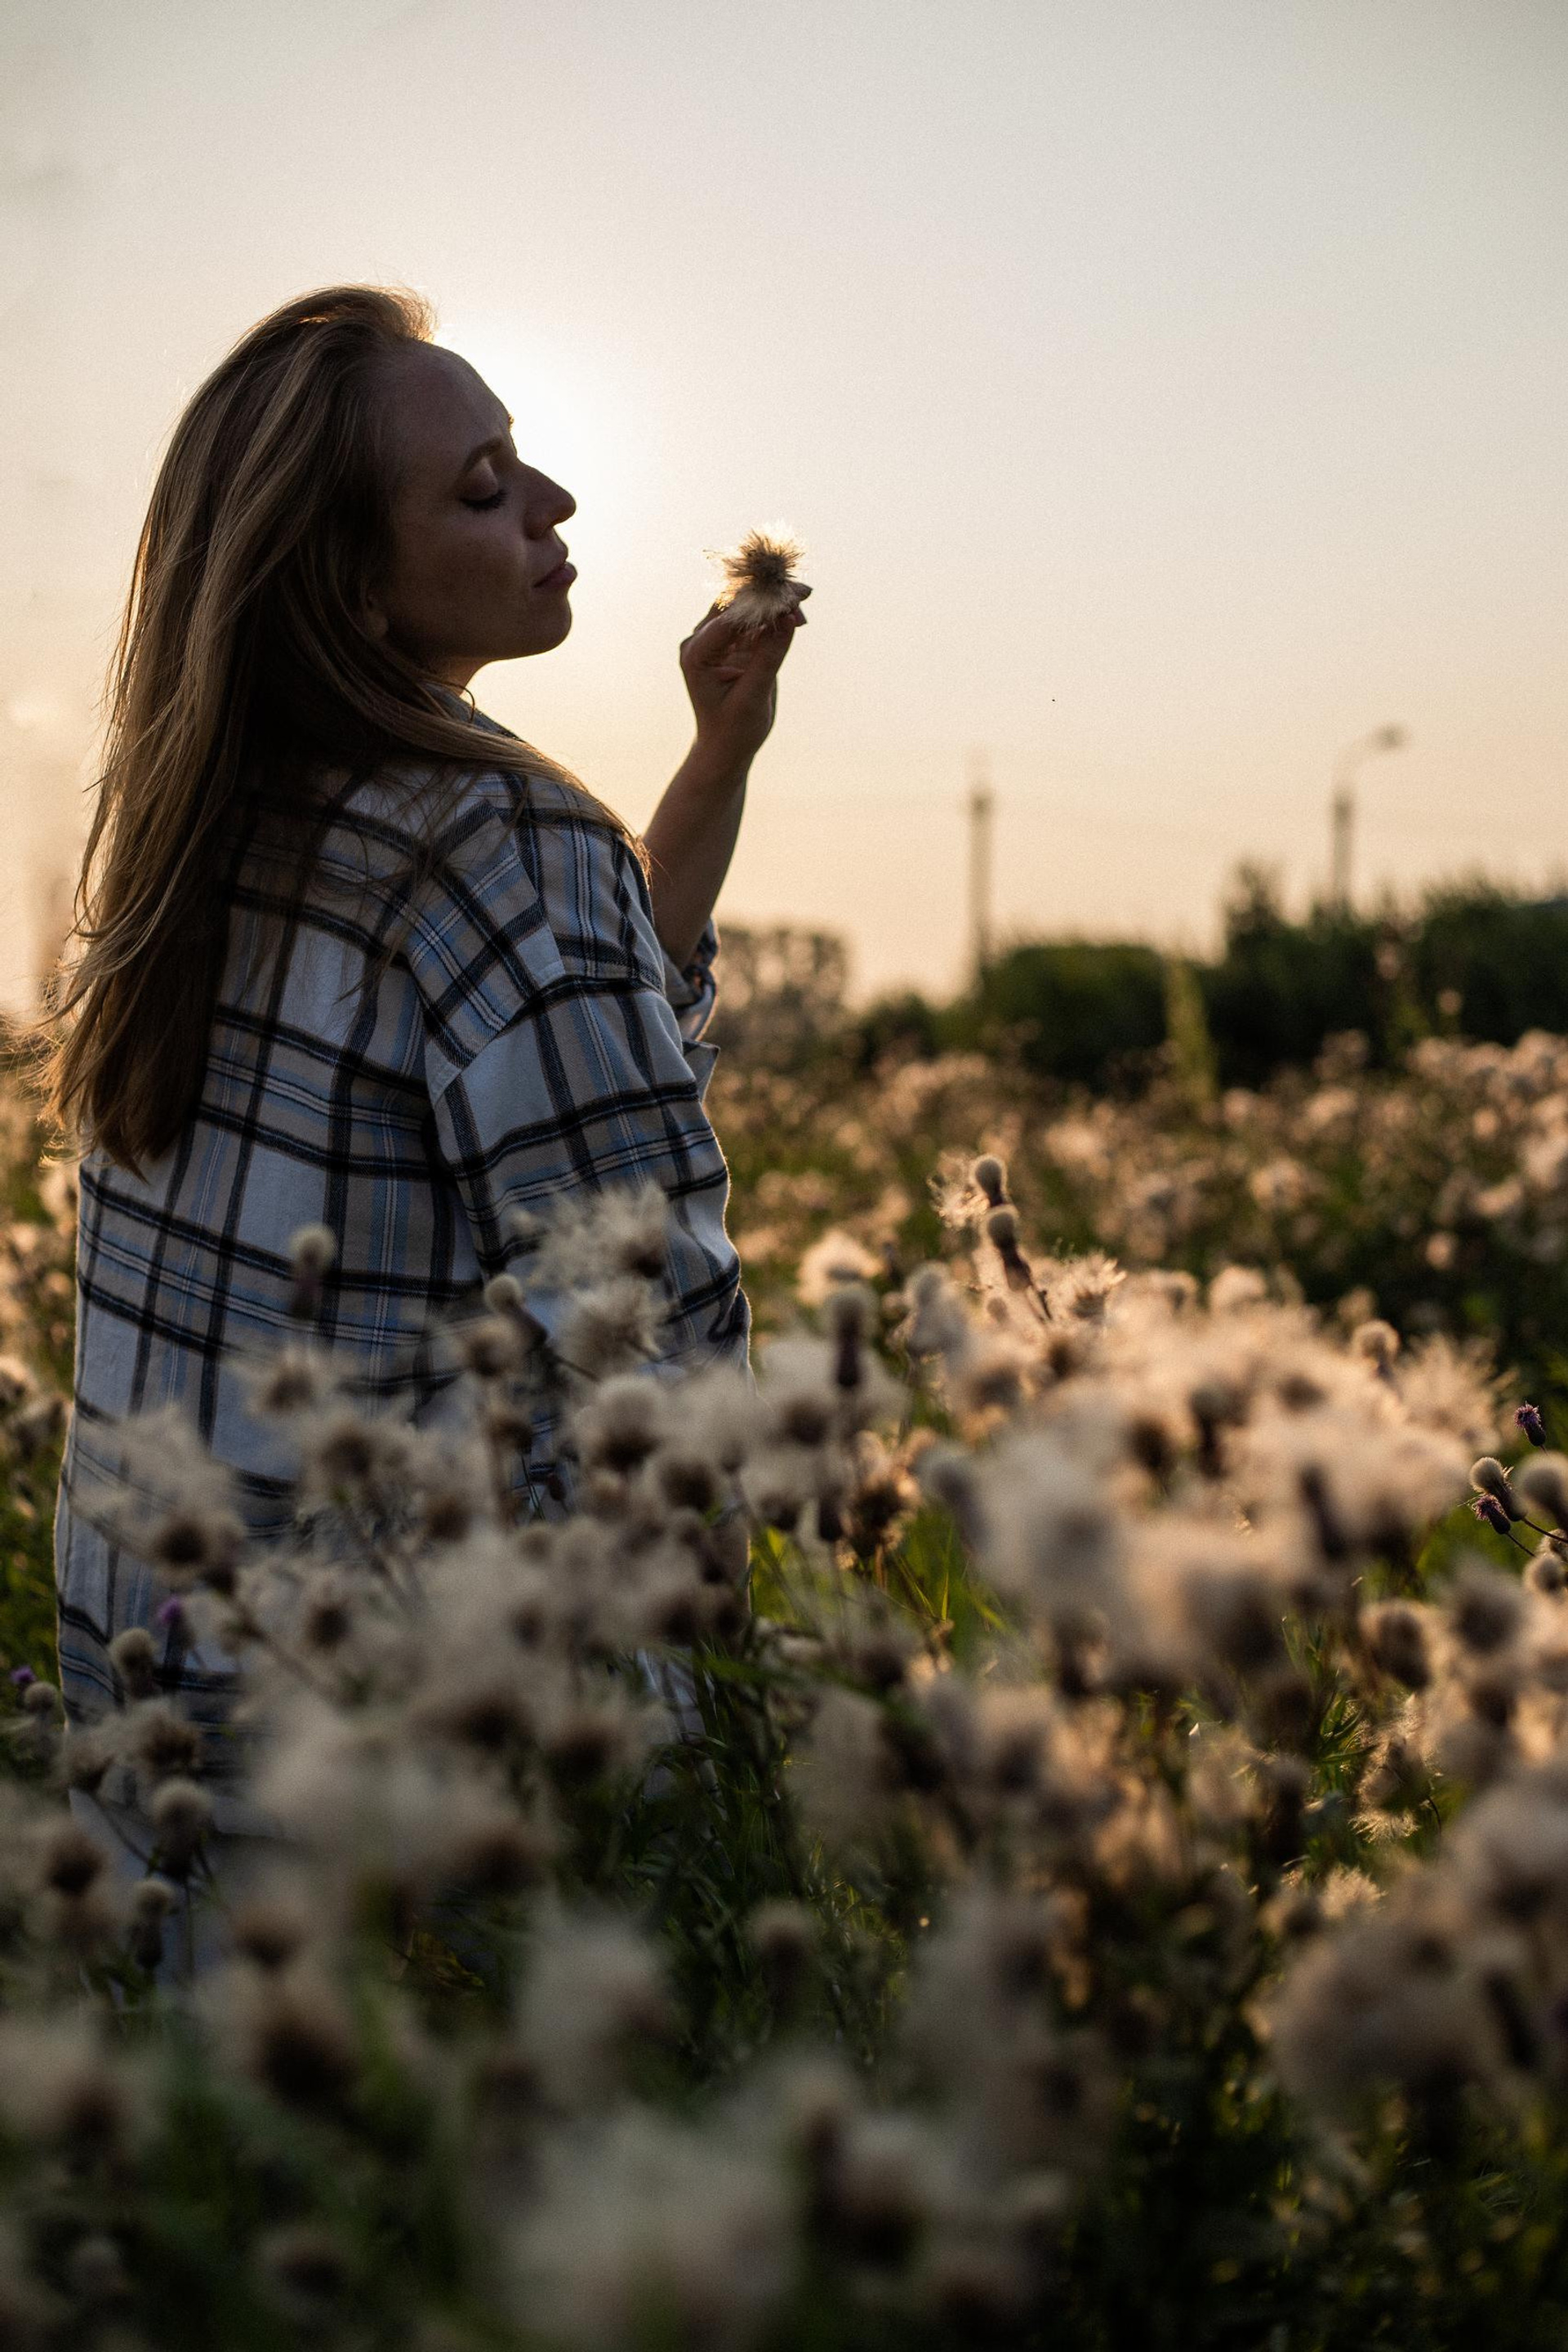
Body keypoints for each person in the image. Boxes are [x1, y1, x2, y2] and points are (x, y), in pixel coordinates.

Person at [38, 283, 807, 1886]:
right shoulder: (498, 844)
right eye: (480, 488)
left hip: (165, 1793)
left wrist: (713, 765)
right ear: (347, 585)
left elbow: (559, 1045)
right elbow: (651, 1343)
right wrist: (745, 1798)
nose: (556, 503)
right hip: (428, 1842)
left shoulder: (194, 839)